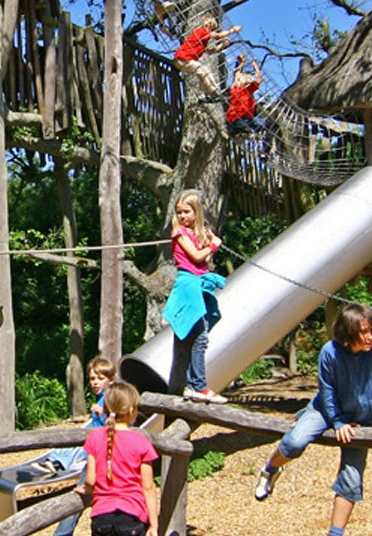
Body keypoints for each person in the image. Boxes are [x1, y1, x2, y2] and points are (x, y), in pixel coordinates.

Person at [252, 304, 372, 536]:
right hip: (324, 410)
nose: (369, 337)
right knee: (294, 442)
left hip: (361, 420)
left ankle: (335, 533)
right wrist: (338, 421)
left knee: (351, 479)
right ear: (348, 332)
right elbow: (327, 392)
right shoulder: (330, 352)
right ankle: (270, 470)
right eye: (363, 332)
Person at [22, 356, 115, 536]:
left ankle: (58, 463)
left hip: (95, 449)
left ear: (110, 379)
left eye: (100, 379)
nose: (95, 383)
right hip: (90, 441)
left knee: (80, 492)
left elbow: (113, 422)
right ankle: (55, 460)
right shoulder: (101, 397)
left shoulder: (111, 397)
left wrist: (103, 415)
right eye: (92, 379)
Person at [163, 190, 227, 403]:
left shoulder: (196, 233)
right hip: (188, 284)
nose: (182, 216)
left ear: (196, 212)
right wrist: (212, 245)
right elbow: (197, 256)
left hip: (199, 283)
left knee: (194, 334)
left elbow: (204, 261)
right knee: (200, 336)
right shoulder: (179, 233)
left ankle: (189, 385)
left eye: (186, 212)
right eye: (179, 212)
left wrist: (209, 244)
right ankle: (199, 386)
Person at [81, 381, 160, 536]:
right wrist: (154, 524)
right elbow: (148, 487)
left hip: (101, 516)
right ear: (131, 409)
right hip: (132, 515)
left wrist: (86, 490)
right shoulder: (141, 442)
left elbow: (90, 480)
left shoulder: (94, 437)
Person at [173, 17, 241, 94]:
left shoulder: (202, 41)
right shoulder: (201, 32)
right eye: (212, 29)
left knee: (204, 72)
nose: (212, 31)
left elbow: (211, 51)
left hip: (184, 61)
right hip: (182, 59)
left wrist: (222, 45)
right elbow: (218, 36)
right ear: (208, 26)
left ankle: (206, 94)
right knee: (202, 70)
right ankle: (213, 93)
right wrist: (232, 30)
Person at [226, 54, 272, 136]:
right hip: (242, 119)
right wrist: (255, 66)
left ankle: (240, 132)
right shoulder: (247, 89)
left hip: (233, 120)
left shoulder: (235, 88)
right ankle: (244, 131)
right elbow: (259, 79)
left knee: (264, 123)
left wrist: (241, 63)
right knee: (267, 124)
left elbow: (237, 74)